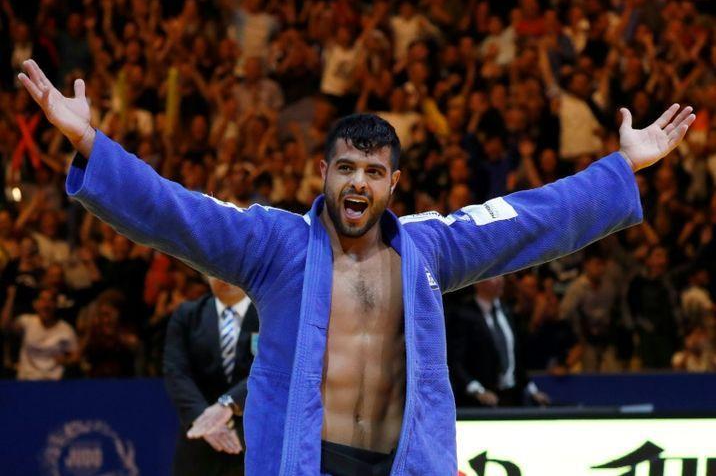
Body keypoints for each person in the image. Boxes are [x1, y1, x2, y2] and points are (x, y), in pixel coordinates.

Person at [18, 59, 694, 475]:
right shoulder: (276, 244)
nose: (357, 183)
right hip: (309, 463)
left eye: (373, 172)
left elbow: (527, 218)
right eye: (346, 168)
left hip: (403, 464)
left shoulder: (431, 247)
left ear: (394, 183)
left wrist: (621, 167)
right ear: (324, 172)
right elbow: (178, 212)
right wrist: (90, 141)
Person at [164, 277, 259, 476]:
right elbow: (176, 372)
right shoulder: (187, 315)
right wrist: (204, 420)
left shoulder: (268, 315)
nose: (225, 275)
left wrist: (229, 404)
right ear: (205, 273)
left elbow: (271, 369)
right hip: (199, 443)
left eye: (232, 267)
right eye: (217, 269)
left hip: (255, 438)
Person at [447, 276, 549, 407]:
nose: (500, 280)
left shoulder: (507, 311)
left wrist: (532, 390)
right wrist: (478, 391)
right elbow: (455, 362)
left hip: (512, 397)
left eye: (501, 275)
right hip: (479, 402)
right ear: (477, 282)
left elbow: (515, 357)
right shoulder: (463, 314)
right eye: (493, 276)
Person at [1, 286, 79, 380]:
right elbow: (4, 326)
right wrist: (10, 298)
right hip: (26, 380)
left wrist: (67, 361)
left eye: (50, 301)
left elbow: (75, 356)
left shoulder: (66, 329)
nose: (46, 305)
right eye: (42, 300)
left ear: (56, 305)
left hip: (53, 381)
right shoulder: (26, 322)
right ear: (36, 304)